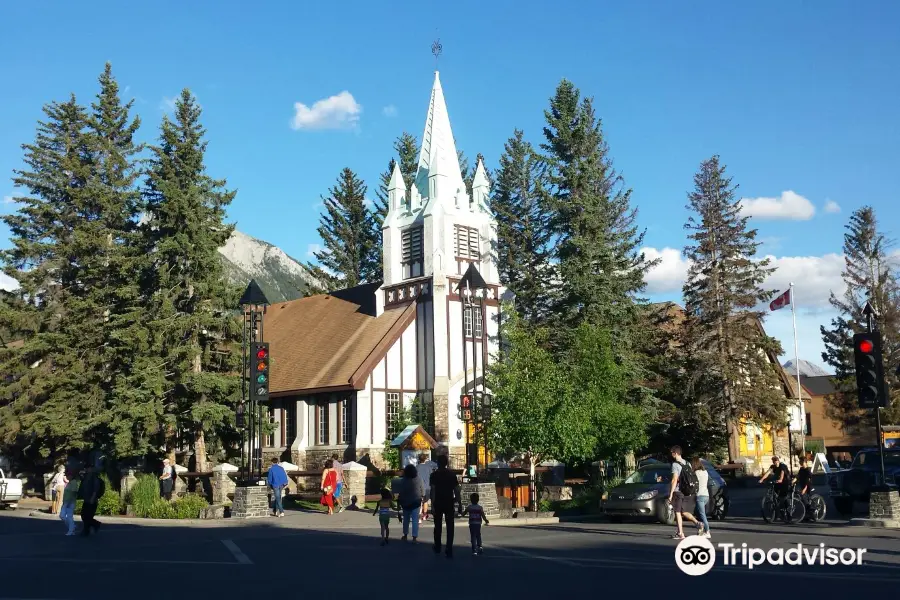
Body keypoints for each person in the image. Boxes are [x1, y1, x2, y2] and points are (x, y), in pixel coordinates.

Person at [430, 453, 461, 558]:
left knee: (437, 525)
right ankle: (449, 548)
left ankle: (438, 546)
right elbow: (456, 489)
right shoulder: (452, 475)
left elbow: (433, 490)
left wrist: (433, 504)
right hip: (449, 501)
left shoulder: (434, 475)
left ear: (438, 463)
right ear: (446, 463)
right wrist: (458, 501)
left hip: (438, 501)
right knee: (450, 526)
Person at [667, 445, 702, 540]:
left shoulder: (675, 465)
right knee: (683, 511)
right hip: (686, 491)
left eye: (672, 452)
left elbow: (674, 480)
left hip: (678, 491)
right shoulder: (687, 463)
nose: (671, 454)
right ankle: (698, 523)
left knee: (677, 512)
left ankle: (680, 533)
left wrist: (670, 494)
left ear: (675, 453)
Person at [397, 464, 425, 542]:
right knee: (415, 519)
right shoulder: (419, 479)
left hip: (405, 502)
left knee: (406, 519)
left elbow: (401, 491)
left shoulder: (403, 480)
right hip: (416, 501)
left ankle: (405, 534)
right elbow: (423, 491)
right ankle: (414, 537)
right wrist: (422, 496)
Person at [78, 464, 104, 536]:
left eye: (88, 468)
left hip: (92, 500)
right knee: (84, 515)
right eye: (86, 468)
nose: (86, 469)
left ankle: (86, 531)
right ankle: (95, 524)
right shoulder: (86, 476)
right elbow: (82, 483)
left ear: (92, 469)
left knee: (88, 516)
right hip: (86, 499)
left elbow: (96, 489)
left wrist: (93, 498)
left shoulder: (94, 477)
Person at [691, 457, 711, 539]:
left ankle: (707, 531)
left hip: (700, 495)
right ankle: (701, 530)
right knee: (699, 513)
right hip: (706, 494)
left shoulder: (696, 473)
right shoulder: (705, 472)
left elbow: (693, 484)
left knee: (702, 515)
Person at [416, 453, 436, 523]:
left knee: (419, 502)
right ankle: (424, 515)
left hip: (418, 487)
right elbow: (431, 476)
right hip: (427, 487)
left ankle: (419, 517)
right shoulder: (429, 468)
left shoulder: (416, 467)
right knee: (425, 501)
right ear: (425, 459)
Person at [59, 469, 79, 536]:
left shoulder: (73, 483)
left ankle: (71, 529)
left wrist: (68, 502)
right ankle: (72, 527)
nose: (67, 476)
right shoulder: (69, 483)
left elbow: (73, 493)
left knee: (66, 516)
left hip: (70, 502)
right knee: (63, 516)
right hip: (66, 502)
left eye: (68, 475)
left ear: (71, 476)